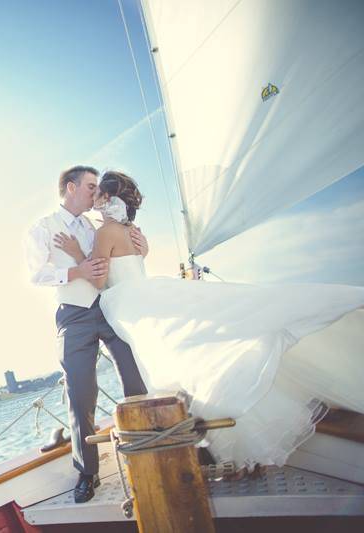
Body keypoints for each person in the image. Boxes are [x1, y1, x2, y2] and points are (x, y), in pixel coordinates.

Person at [55, 170, 364, 472]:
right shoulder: (132, 232)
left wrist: (75, 251)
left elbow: (97, 280)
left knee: (168, 365)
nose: (95, 197)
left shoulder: (104, 232)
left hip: (129, 303)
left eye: (99, 193)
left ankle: (187, 444)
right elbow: (131, 261)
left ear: (108, 197)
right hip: (148, 292)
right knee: (190, 348)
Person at [25, 166, 149, 504]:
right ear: (70, 187)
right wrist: (76, 270)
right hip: (75, 315)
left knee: (136, 376)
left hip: (110, 306)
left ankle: (148, 446)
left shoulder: (100, 226)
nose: (97, 195)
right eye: (91, 187)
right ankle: (87, 472)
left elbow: (119, 260)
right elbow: (36, 274)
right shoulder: (43, 228)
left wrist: (140, 244)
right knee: (81, 393)